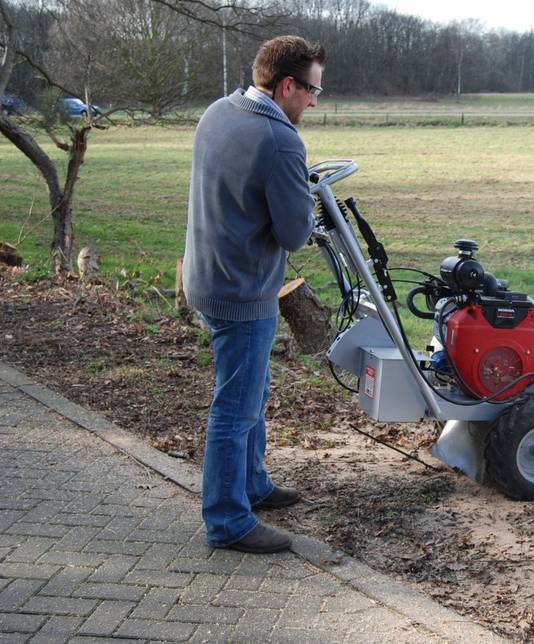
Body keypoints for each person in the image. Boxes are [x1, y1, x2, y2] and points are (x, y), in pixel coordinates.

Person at [182, 36, 325, 554]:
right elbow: (294, 234)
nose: (314, 102)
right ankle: (228, 521)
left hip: (204, 277)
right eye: (311, 91)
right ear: (287, 85)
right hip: (242, 292)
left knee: (251, 389)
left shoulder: (219, 111)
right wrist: (306, 198)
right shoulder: (280, 139)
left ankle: (252, 483)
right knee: (235, 408)